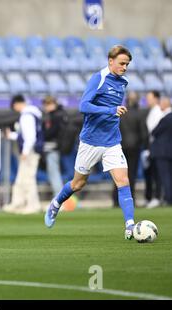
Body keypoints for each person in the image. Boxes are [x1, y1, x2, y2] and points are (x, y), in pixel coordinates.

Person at [45, 45, 137, 240]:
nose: (125, 67)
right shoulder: (99, 78)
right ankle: (56, 203)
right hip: (91, 142)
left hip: (112, 141)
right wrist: (110, 110)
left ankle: (130, 225)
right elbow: (83, 106)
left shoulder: (123, 82)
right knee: (78, 183)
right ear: (110, 61)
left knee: (123, 181)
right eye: (122, 63)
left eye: (127, 64)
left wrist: (115, 112)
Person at [3, 94, 43, 214]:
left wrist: (25, 152)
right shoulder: (32, 113)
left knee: (28, 179)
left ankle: (33, 205)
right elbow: (24, 136)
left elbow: (30, 137)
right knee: (21, 179)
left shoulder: (27, 115)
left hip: (30, 151)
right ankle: (17, 203)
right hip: (30, 149)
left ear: (17, 104)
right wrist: (11, 135)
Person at [111, 91, 147, 207]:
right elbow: (144, 133)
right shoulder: (139, 114)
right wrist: (144, 146)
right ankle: (130, 200)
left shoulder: (120, 113)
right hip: (134, 148)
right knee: (131, 175)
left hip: (119, 146)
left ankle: (116, 200)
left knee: (117, 174)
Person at [41, 96, 67, 197]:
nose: (46, 107)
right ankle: (58, 197)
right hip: (55, 146)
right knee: (54, 172)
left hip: (54, 147)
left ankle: (58, 198)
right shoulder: (57, 114)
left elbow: (52, 132)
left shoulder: (56, 115)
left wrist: (42, 134)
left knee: (54, 172)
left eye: (48, 104)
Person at [143, 90, 164, 208]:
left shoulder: (158, 112)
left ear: (156, 99)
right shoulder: (152, 112)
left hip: (156, 146)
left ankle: (157, 197)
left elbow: (155, 132)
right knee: (152, 172)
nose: (147, 100)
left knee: (157, 173)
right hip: (151, 146)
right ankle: (153, 197)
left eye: (149, 98)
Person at [150, 97, 172, 206]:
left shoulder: (166, 118)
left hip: (162, 151)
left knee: (165, 176)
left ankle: (169, 199)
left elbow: (154, 131)